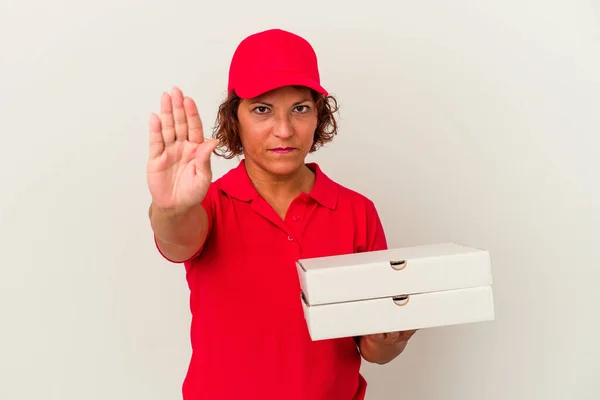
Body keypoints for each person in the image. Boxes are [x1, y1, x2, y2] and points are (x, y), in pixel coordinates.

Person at [146, 28, 417, 400]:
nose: (285, 129)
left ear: (318, 114)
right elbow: (177, 240)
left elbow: (372, 349)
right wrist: (171, 208)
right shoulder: (210, 204)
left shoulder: (357, 212)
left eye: (300, 109)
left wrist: (390, 338)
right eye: (262, 109)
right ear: (234, 117)